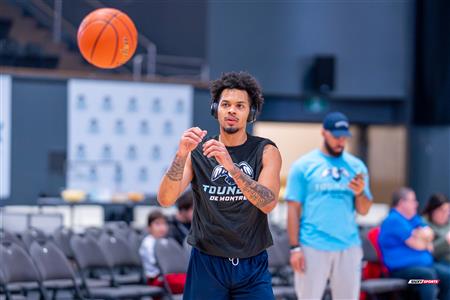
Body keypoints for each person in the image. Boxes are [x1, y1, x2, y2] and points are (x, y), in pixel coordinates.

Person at [157, 71, 282, 300]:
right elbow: (165, 199)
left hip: (251, 264)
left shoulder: (266, 151)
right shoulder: (198, 152)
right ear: (216, 109)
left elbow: (268, 203)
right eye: (225, 104)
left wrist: (232, 168)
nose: (232, 110)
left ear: (250, 113)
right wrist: (181, 154)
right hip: (207, 262)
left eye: (240, 105)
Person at [284, 111, 373, 300]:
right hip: (312, 245)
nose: (340, 141)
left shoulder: (357, 166)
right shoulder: (303, 166)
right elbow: (293, 209)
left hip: (348, 246)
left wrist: (360, 193)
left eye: (344, 137)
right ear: (324, 133)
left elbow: (364, 210)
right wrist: (295, 248)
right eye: (335, 136)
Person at [378, 188, 450, 300]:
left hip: (423, 268)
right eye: (413, 200)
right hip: (402, 274)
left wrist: (420, 236)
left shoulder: (413, 218)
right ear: (402, 202)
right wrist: (425, 243)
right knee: (428, 277)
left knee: (447, 275)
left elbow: (430, 233)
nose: (416, 204)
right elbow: (417, 245)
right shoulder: (394, 220)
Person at [139, 210, 186, 294]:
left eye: (164, 224)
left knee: (194, 279)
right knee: (189, 284)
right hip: (156, 279)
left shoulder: (167, 241)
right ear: (149, 227)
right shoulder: (148, 243)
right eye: (157, 224)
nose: (162, 227)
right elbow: (158, 264)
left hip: (171, 276)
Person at [422, 193, 450, 265]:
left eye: (448, 210)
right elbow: (427, 252)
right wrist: (446, 241)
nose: (446, 214)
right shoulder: (423, 224)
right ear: (432, 210)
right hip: (438, 261)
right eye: (442, 210)